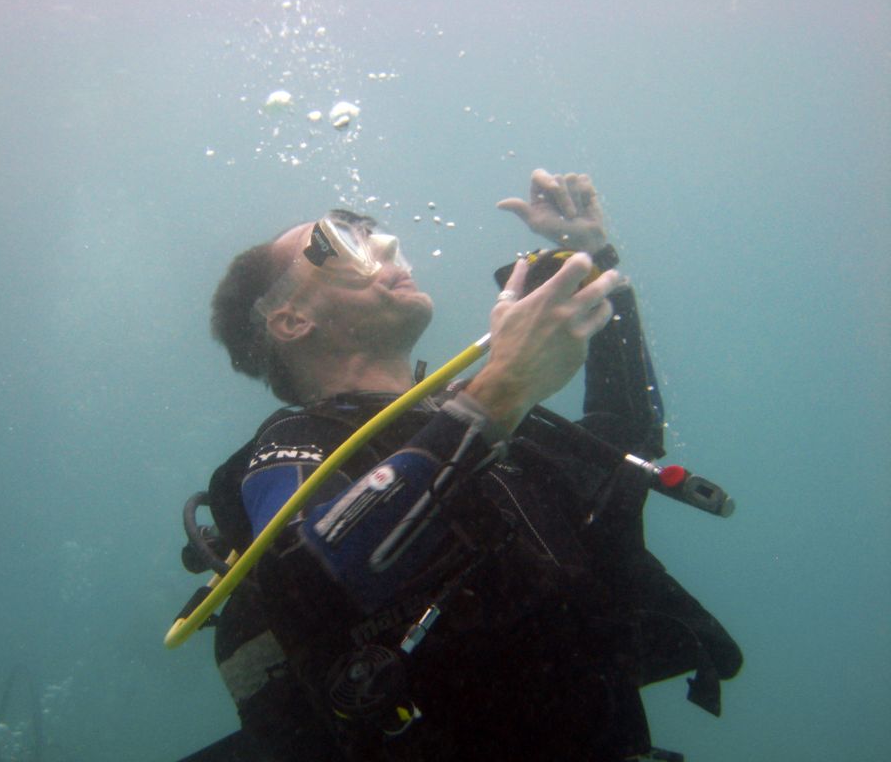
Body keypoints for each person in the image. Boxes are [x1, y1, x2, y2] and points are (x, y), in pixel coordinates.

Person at [198, 171, 742, 762]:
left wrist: (595, 263)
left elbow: (622, 438)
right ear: (290, 320)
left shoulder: (472, 417)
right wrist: (499, 394)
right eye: (339, 243)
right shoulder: (294, 443)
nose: (385, 245)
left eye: (373, 232)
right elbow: (306, 575)